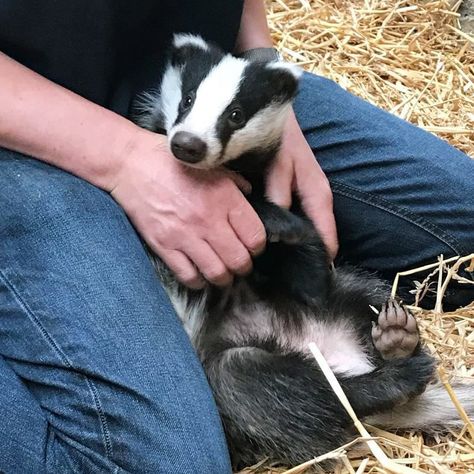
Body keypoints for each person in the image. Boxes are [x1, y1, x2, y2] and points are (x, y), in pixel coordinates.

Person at [0, 1, 472, 472]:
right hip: (25, 127)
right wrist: (122, 158)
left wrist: (267, 99)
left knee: (461, 236)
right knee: (167, 462)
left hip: (191, 81)